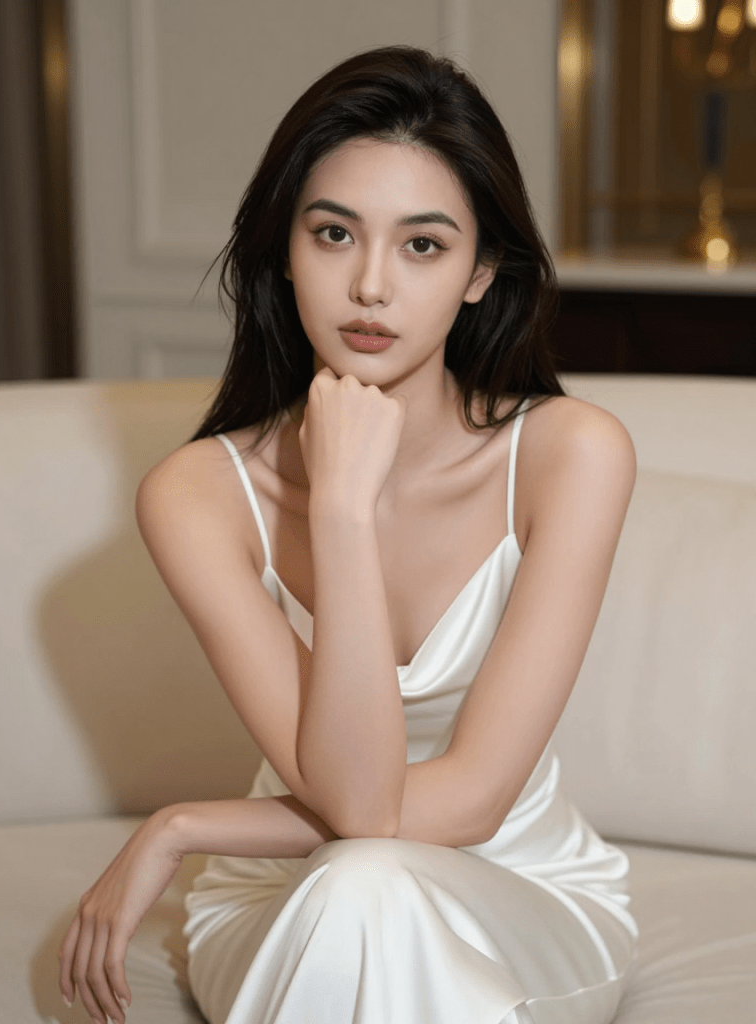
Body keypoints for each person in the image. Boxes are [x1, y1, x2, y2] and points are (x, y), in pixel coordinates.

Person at [58, 44, 638, 1024]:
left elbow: (448, 805)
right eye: (334, 234)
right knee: (357, 886)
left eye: (422, 244)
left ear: (480, 271)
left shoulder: (571, 454)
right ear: (286, 251)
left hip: (519, 889)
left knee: (367, 880)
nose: (371, 284)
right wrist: (339, 501)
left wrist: (184, 823)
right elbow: (356, 811)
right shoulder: (198, 494)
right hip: (284, 897)